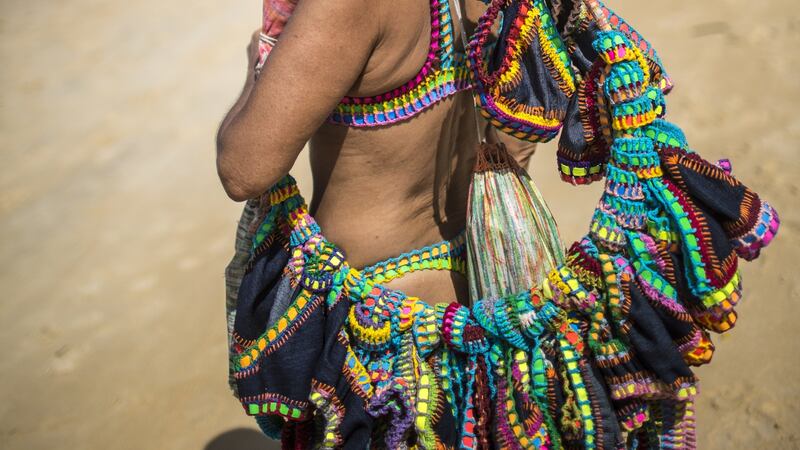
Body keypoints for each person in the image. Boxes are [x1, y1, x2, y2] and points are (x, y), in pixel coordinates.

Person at [216, 0, 532, 306]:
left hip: (373, 305)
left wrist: (258, 61)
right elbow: (518, 134)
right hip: (482, 279)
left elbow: (244, 171)